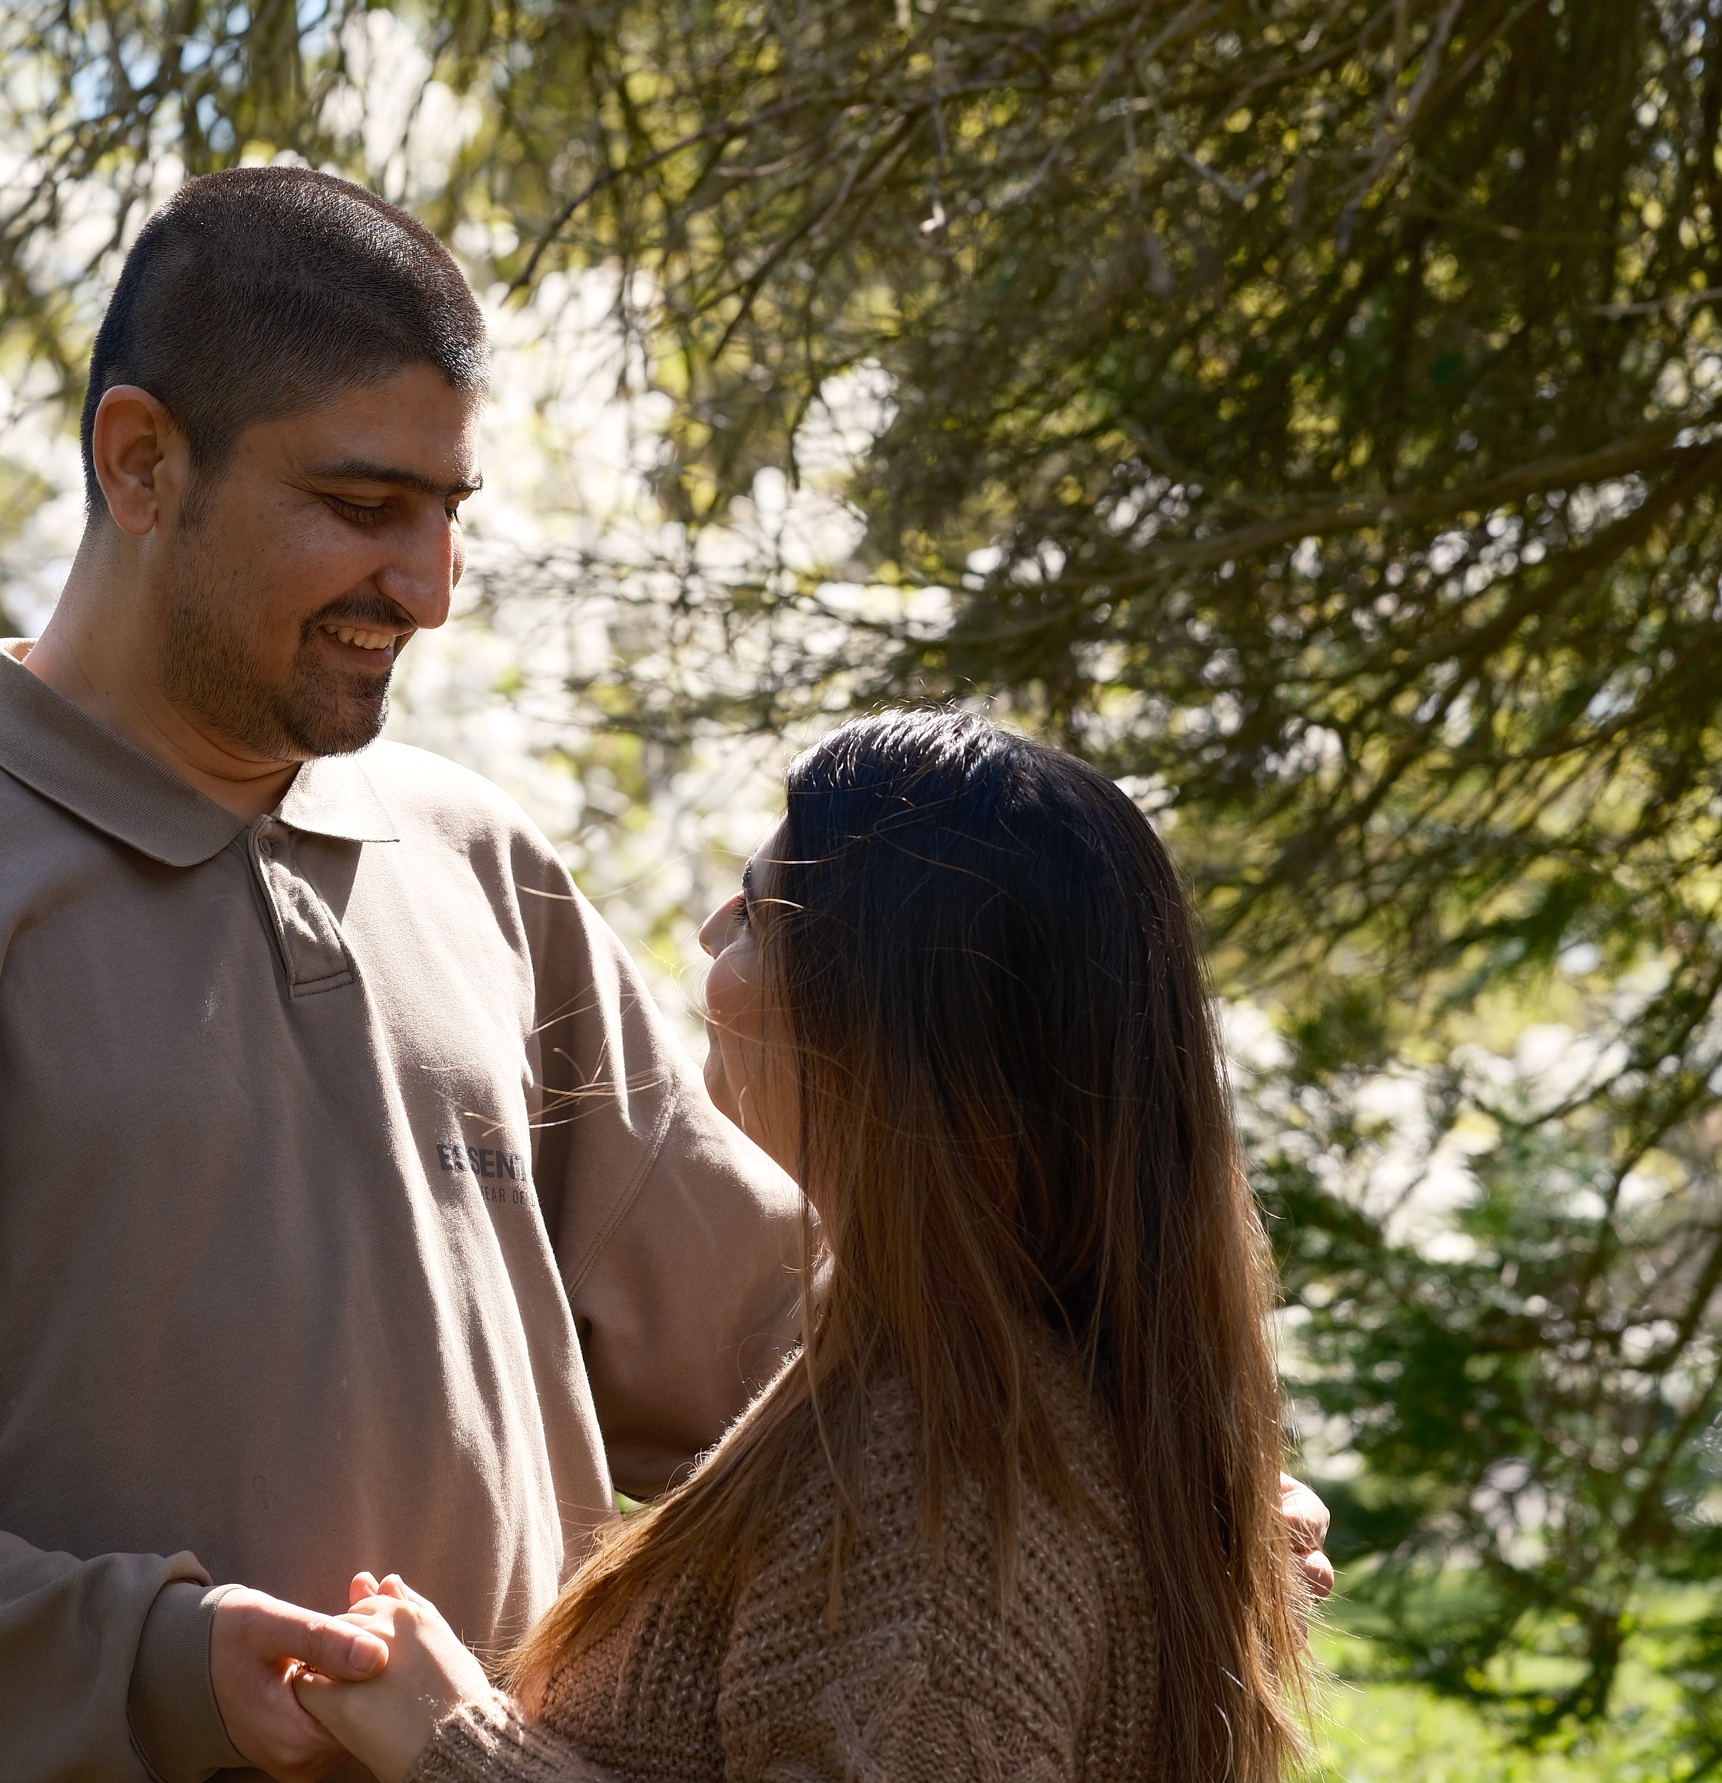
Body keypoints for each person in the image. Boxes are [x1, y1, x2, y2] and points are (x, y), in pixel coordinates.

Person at [0, 166, 1330, 1783]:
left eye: (449, 509)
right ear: (140, 462)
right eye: (361, 504)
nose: (430, 584)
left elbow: (804, 1326)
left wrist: (1152, 1475)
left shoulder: (476, 862)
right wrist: (149, 1660)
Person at [295, 709, 1314, 1783]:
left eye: (763, 912)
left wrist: (454, 1743)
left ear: (890, 1016)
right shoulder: (979, 1402)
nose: (709, 933)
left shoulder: (941, 1485)